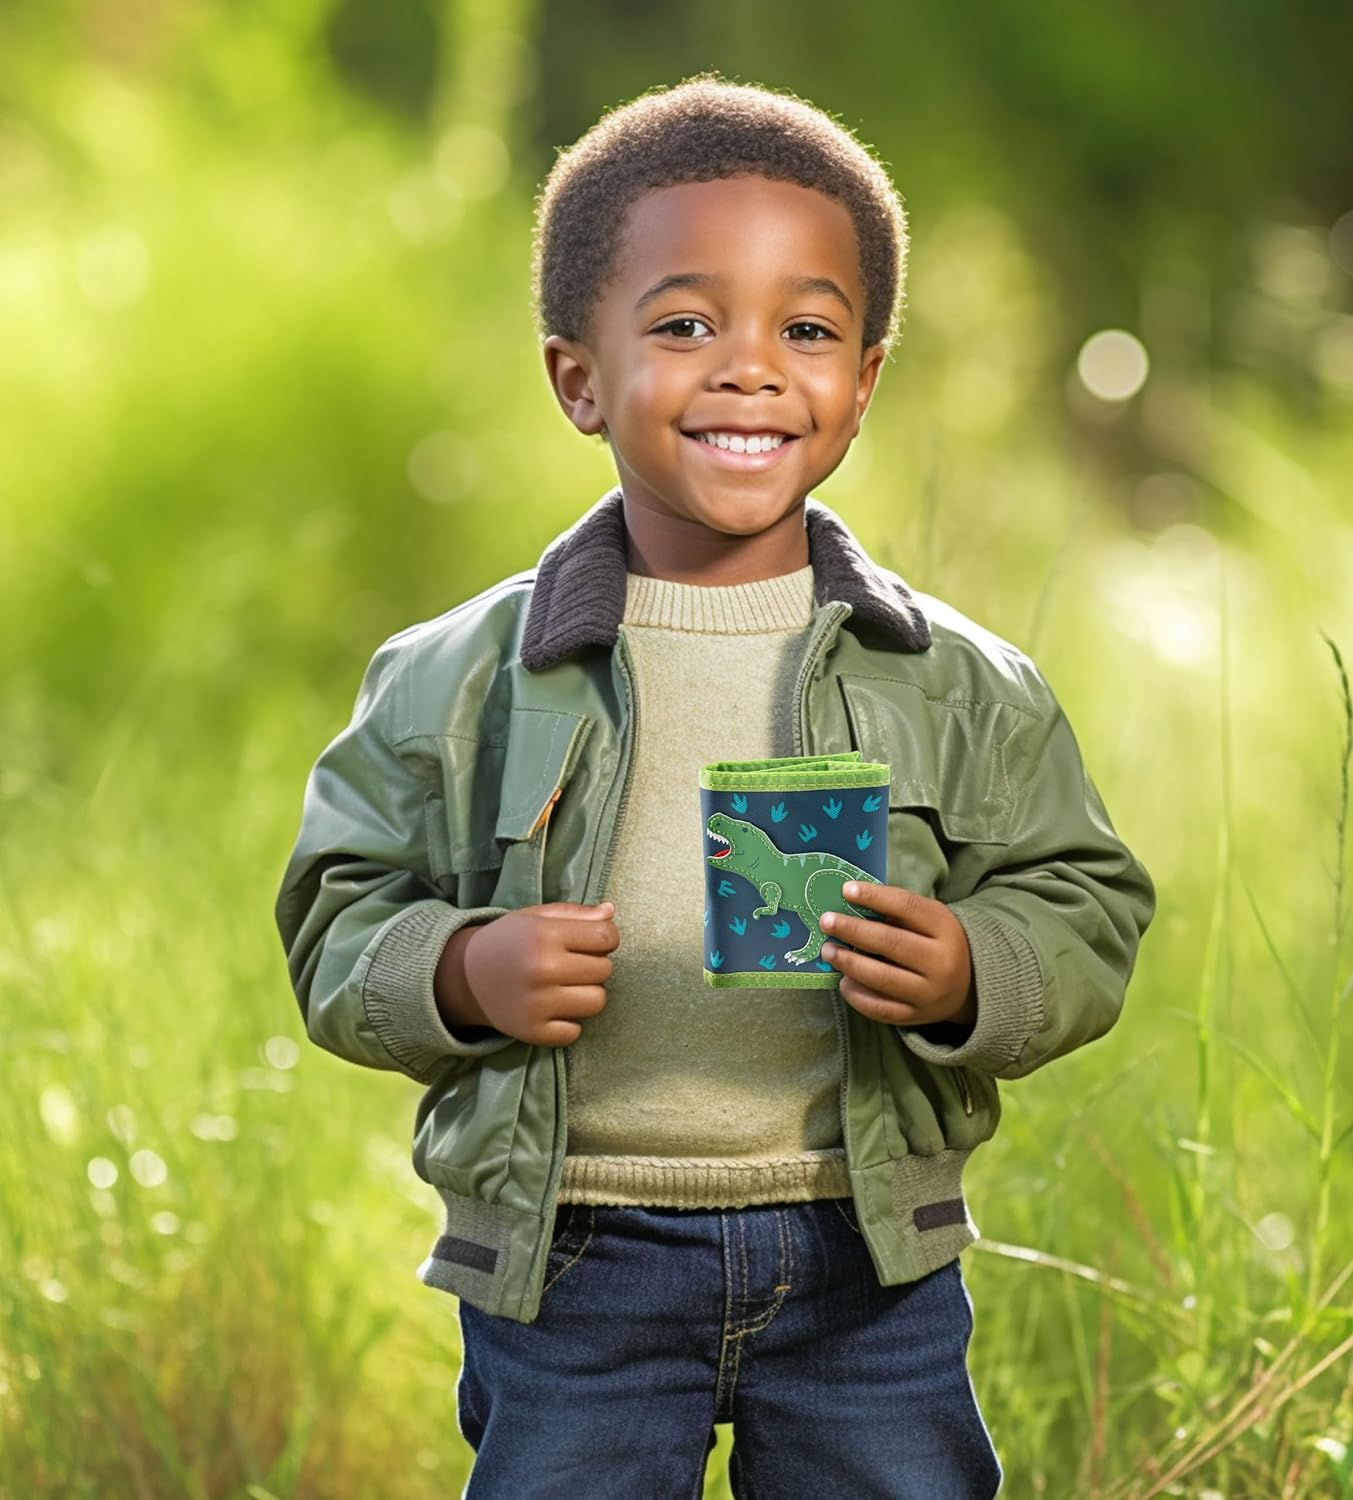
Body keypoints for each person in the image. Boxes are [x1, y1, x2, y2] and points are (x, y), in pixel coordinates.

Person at [274, 71, 1156, 1500]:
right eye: (686, 325)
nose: (751, 369)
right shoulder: (457, 678)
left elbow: (1085, 900)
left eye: (806, 330)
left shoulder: (952, 680)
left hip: (864, 1252)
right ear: (579, 377)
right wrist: (459, 970)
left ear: (864, 380)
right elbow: (335, 913)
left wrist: (969, 971)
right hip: (574, 1252)